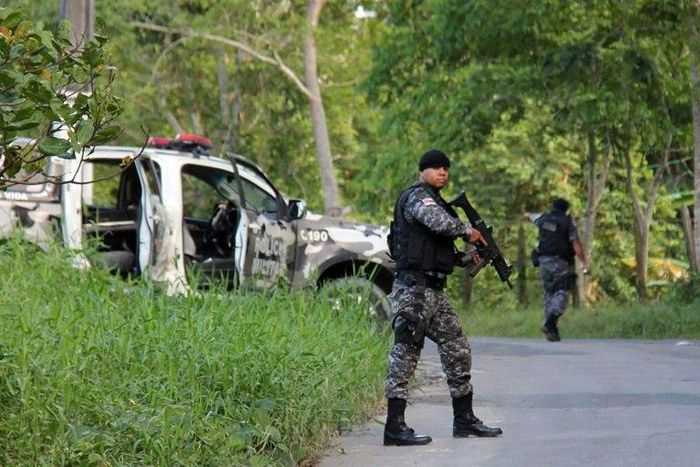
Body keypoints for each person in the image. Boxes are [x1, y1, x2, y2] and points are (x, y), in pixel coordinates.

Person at [383, 149, 503, 446]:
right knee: (406, 353)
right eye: (436, 167)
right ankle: (394, 426)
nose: (443, 172)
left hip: (434, 291)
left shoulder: (440, 203)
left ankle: (464, 419)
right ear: (422, 170)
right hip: (413, 290)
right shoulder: (418, 197)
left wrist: (473, 257)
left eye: (446, 168)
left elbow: (445, 253)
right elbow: (437, 222)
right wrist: (468, 231)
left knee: (457, 346)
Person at [527, 198, 589, 342]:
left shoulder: (544, 218)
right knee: (562, 290)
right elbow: (575, 243)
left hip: (543, 261)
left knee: (549, 291)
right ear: (566, 209)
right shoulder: (567, 222)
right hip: (561, 262)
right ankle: (551, 321)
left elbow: (532, 217)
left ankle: (552, 330)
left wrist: (527, 215)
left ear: (553, 207)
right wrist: (584, 262)